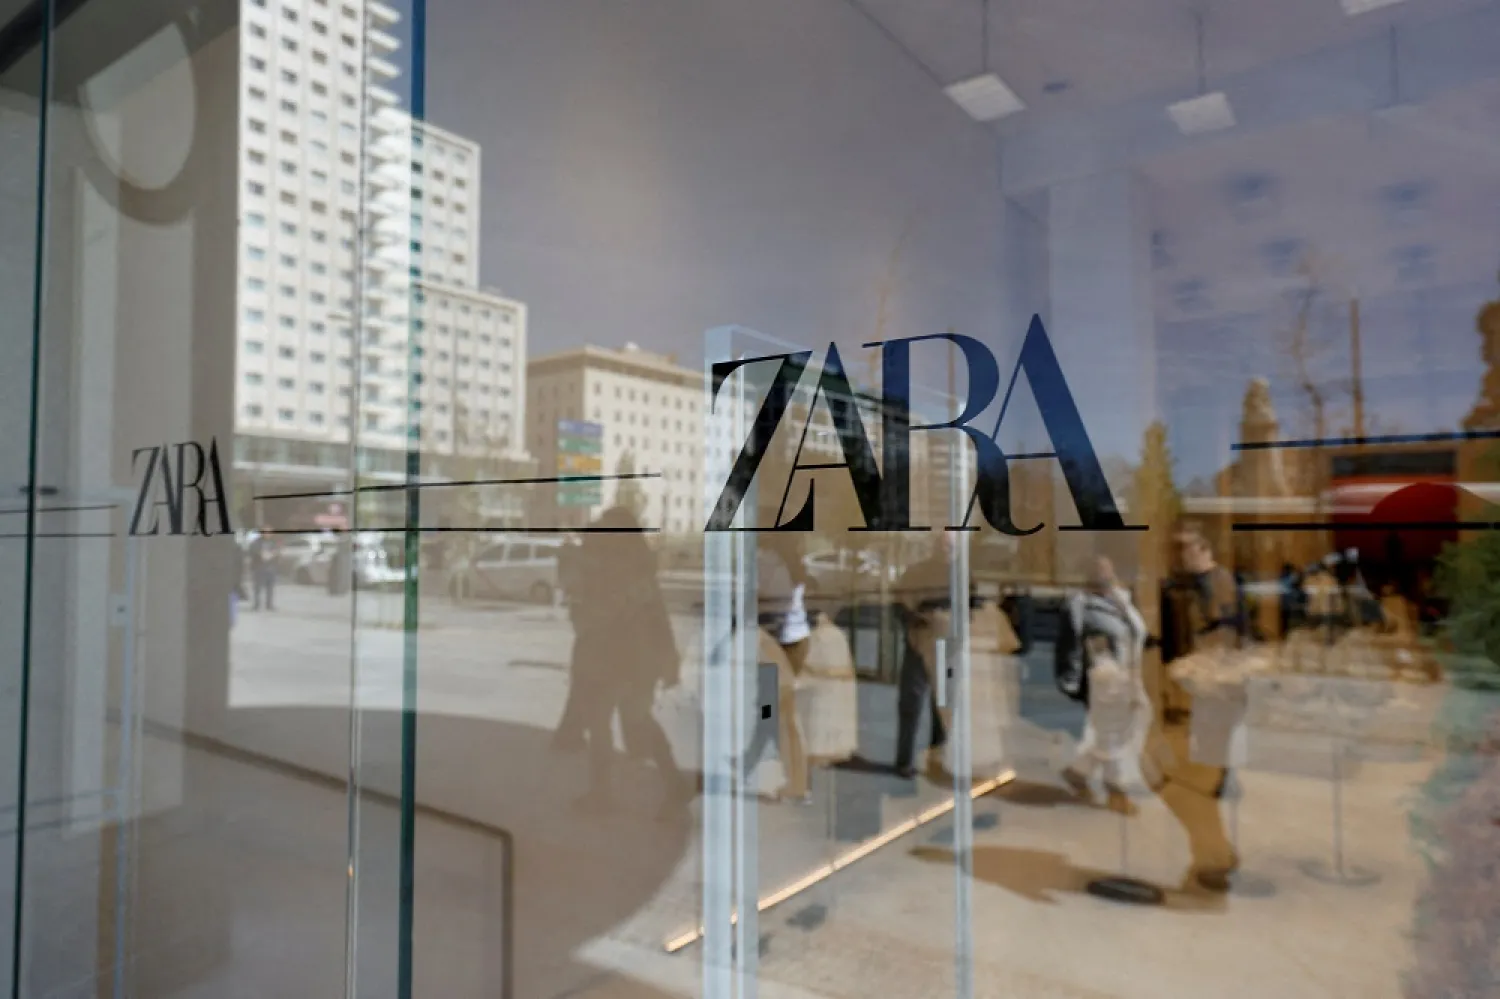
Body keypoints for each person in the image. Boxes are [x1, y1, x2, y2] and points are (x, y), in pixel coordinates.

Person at [568, 507, 689, 817]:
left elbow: (598, 615)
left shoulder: (617, 569)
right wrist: (668, 658)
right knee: (633, 721)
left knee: (605, 723)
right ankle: (671, 783)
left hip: (614, 658)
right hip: (632, 659)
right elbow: (657, 617)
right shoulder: (633, 567)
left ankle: (604, 794)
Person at [1155, 520, 1244, 891]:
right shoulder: (1191, 586)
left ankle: (1214, 857)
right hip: (1200, 694)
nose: (1180, 555)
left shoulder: (1218, 584)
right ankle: (1215, 852)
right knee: (1193, 775)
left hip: (1215, 694)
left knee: (1196, 780)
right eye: (1176, 548)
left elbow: (1222, 641)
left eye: (1187, 547)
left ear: (1204, 549)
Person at [1060, 557, 1150, 812]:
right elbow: (1071, 644)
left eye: (1109, 568)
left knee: (1129, 728)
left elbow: (1137, 632)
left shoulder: (1122, 598)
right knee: (1112, 736)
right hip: (1104, 678)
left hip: (1129, 674)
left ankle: (1078, 771)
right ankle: (1117, 793)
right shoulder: (1080, 604)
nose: (1106, 574)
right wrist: (1072, 680)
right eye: (1099, 570)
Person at [741, 534, 813, 804]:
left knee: (772, 713)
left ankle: (779, 781)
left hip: (776, 643)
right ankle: (764, 769)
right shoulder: (796, 563)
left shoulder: (768, 562)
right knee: (780, 713)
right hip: (797, 642)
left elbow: (766, 608)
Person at [892, 534, 962, 780]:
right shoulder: (917, 572)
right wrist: (913, 620)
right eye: (944, 544)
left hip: (949, 647)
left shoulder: (963, 574)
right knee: (910, 704)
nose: (947, 550)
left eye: (952, 546)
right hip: (920, 644)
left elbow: (975, 607)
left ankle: (937, 760)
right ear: (935, 546)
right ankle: (904, 761)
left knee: (944, 706)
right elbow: (898, 602)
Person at [248, 525, 279, 611]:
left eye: (270, 532)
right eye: (266, 532)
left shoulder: (273, 542)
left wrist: (274, 554)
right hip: (259, 568)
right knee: (257, 588)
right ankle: (256, 605)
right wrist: (262, 554)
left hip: (271, 568)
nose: (268, 534)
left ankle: (269, 605)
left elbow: (277, 552)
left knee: (270, 588)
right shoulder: (256, 542)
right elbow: (253, 552)